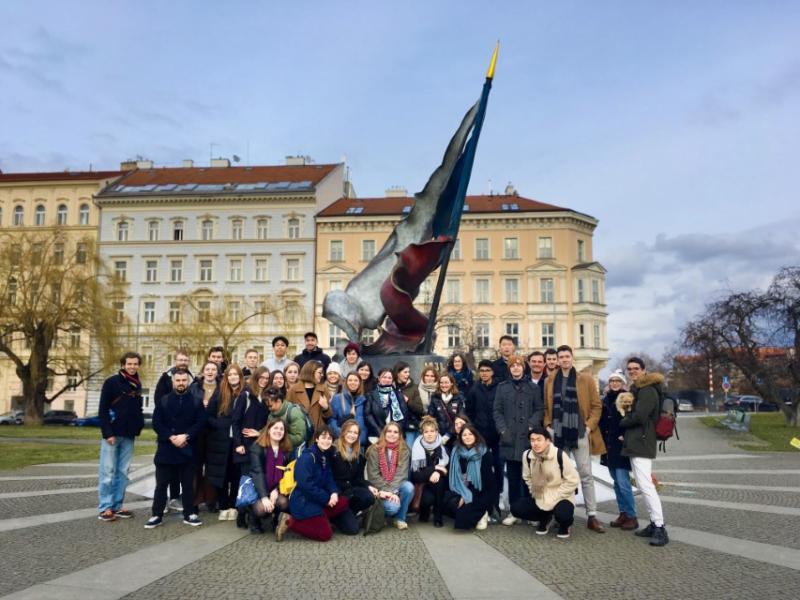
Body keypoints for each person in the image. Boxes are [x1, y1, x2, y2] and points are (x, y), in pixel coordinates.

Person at [543, 345, 606, 533]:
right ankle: (563, 516)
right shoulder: (549, 381)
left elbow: (596, 406)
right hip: (558, 435)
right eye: (561, 357)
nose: (564, 359)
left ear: (572, 358)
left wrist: (588, 427)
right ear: (557, 360)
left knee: (586, 475)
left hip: (579, 434)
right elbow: (546, 407)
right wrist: (548, 425)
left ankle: (592, 515)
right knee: (560, 477)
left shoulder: (585, 379)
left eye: (567, 356)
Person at [145, 368, 207, 529]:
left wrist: (186, 436)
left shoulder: (196, 401)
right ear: (173, 381)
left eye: (184, 380)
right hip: (166, 448)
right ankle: (156, 515)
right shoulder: (164, 400)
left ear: (188, 381)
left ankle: (189, 513)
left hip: (187, 448)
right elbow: (157, 423)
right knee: (161, 485)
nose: (181, 383)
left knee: (187, 485)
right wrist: (171, 437)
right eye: (178, 380)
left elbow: (201, 422)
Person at [275, 426, 359, 542]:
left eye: (329, 438)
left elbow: (329, 477)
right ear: (316, 439)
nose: (326, 441)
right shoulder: (307, 457)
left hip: (316, 498)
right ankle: (289, 521)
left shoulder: (324, 455)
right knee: (325, 534)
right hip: (303, 501)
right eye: (323, 437)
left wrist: (333, 492)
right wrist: (326, 499)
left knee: (343, 502)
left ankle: (319, 520)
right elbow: (305, 485)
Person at [621, 357, 669, 547]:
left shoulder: (647, 390)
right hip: (637, 440)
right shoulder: (638, 388)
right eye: (629, 369)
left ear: (643, 370)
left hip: (642, 440)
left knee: (647, 486)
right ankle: (653, 523)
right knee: (643, 484)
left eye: (636, 368)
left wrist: (623, 421)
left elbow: (640, 416)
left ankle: (660, 527)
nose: (632, 371)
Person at [494, 355, 543, 526]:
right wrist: (503, 430)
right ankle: (515, 512)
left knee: (529, 478)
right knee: (513, 477)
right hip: (509, 438)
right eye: (512, 365)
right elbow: (497, 411)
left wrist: (531, 425)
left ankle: (530, 512)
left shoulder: (533, 387)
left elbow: (539, 409)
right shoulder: (502, 387)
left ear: (523, 367)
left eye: (519, 365)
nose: (516, 368)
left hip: (527, 440)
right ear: (509, 369)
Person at [97, 352, 145, 522]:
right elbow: (103, 410)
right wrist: (107, 433)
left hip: (128, 434)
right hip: (113, 433)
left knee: (123, 472)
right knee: (108, 471)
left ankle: (117, 505)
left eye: (135, 364)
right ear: (123, 364)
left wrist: (138, 426)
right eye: (129, 364)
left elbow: (137, 408)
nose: (132, 367)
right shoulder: (111, 382)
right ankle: (105, 507)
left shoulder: (137, 384)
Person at [510, 427, 579, 539]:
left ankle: (565, 525)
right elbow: (527, 477)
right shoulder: (527, 456)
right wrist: (534, 491)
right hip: (540, 495)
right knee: (516, 508)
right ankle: (546, 518)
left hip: (561, 496)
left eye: (539, 439)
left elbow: (573, 480)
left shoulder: (559, 454)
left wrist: (556, 496)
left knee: (563, 514)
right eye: (532, 440)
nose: (535, 443)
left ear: (547, 441)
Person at [153, 349, 192, 512]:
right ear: (176, 361)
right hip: (168, 431)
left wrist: (186, 434)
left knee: (180, 471)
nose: (183, 362)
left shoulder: (192, 378)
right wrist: (170, 434)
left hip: (185, 433)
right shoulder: (165, 378)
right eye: (180, 360)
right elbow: (158, 403)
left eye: (185, 360)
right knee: (164, 472)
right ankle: (161, 503)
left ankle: (175, 498)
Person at [599, 370, 638, 530]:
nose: (614, 383)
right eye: (612, 381)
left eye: (617, 381)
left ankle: (632, 515)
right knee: (616, 483)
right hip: (608, 446)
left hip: (620, 446)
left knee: (623, 483)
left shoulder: (626, 398)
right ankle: (623, 513)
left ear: (622, 383)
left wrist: (625, 435)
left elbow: (632, 419)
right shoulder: (605, 400)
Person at [206, 364, 244, 522]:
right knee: (222, 475)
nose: (233, 377)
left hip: (238, 441)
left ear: (240, 377)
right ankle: (223, 505)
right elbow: (208, 416)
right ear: (226, 377)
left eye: (236, 374)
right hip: (220, 441)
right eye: (230, 375)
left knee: (236, 475)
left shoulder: (245, 393)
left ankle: (233, 506)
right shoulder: (220, 393)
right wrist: (220, 425)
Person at [232, 372, 269, 527]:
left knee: (257, 480)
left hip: (260, 445)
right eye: (262, 377)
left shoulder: (266, 398)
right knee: (247, 481)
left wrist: (260, 433)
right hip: (245, 446)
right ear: (256, 378)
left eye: (267, 378)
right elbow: (235, 421)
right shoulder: (246, 396)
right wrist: (238, 444)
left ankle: (252, 516)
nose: (264, 380)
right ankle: (243, 514)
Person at [466, 359, 502, 520]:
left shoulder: (499, 388)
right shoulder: (474, 389)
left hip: (498, 435)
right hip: (481, 436)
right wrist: (474, 430)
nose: (485, 373)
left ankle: (496, 501)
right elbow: (469, 411)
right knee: (483, 469)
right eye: (482, 370)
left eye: (487, 370)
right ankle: (485, 503)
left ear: (492, 372)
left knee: (498, 467)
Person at [443, 424, 496, 530]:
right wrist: (463, 492)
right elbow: (453, 475)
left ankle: (483, 513)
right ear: (460, 437)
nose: (467, 437)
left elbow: (486, 481)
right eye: (464, 435)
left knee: (461, 520)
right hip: (462, 487)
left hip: (481, 490)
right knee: (447, 504)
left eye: (470, 434)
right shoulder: (456, 451)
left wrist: (467, 494)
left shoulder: (484, 453)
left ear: (475, 436)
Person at [365, 422, 414, 529]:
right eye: (389, 431)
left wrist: (392, 492)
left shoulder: (404, 450)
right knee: (392, 508)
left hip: (396, 486)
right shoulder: (374, 449)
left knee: (409, 487)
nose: (392, 434)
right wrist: (387, 491)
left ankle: (400, 518)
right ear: (384, 433)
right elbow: (373, 475)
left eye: (395, 432)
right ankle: (381, 514)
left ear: (400, 435)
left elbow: (401, 474)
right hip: (379, 488)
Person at [247, 419, 291, 534]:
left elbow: (287, 473)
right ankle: (253, 519)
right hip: (258, 487)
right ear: (268, 430)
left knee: (284, 503)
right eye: (275, 428)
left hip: (276, 487)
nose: (278, 431)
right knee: (261, 509)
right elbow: (257, 473)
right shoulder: (257, 447)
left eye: (281, 429)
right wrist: (264, 497)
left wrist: (276, 490)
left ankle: (276, 519)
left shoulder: (286, 450)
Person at [188, 361, 220, 512]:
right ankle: (194, 500)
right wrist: (201, 405)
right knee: (195, 467)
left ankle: (210, 500)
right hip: (197, 432)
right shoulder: (194, 387)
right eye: (207, 369)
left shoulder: (221, 388)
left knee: (211, 468)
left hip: (214, 432)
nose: (210, 372)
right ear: (203, 371)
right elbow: (188, 406)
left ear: (217, 372)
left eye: (213, 369)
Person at [331, 419, 377, 515]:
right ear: (343, 432)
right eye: (349, 431)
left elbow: (359, 478)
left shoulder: (358, 455)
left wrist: (368, 486)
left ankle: (350, 513)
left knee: (369, 497)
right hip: (336, 492)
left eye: (355, 433)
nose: (352, 435)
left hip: (350, 490)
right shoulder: (333, 451)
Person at [410, 415, 449, 527]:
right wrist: (434, 468)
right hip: (422, 484)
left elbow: (445, 470)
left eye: (432, 431)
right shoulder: (417, 447)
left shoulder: (442, 448)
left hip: (437, 483)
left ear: (437, 432)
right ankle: (424, 512)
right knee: (426, 500)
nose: (429, 434)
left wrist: (438, 472)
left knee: (440, 483)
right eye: (426, 432)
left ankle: (438, 516)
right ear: (422, 433)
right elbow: (416, 476)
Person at [365, 369, 410, 444]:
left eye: (389, 378)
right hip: (376, 436)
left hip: (395, 437)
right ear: (379, 378)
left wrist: (395, 432)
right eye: (384, 377)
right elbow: (367, 414)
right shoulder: (371, 395)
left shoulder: (399, 395)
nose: (387, 380)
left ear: (392, 380)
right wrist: (380, 432)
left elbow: (404, 414)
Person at [287, 360, 333, 432]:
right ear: (311, 372)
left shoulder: (323, 389)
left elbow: (329, 416)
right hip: (299, 432)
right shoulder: (293, 390)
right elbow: (287, 413)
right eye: (320, 372)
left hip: (318, 433)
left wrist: (326, 408)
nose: (322, 375)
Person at [264, 387, 307, 453]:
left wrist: (278, 437)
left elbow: (299, 437)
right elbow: (268, 430)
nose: (269, 409)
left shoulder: (294, 413)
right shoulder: (271, 415)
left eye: (270, 406)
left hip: (292, 451)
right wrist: (260, 433)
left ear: (278, 401)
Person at [427, 373, 466, 446]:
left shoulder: (459, 397)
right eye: (441, 383)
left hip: (455, 436)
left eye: (446, 382)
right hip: (439, 436)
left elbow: (461, 418)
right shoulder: (435, 397)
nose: (443, 385)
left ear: (452, 383)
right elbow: (430, 416)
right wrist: (435, 432)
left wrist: (448, 434)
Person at [330, 372, 367, 445]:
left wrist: (362, 438)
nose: (353, 382)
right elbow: (332, 419)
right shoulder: (337, 398)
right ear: (346, 382)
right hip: (342, 441)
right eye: (350, 380)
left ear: (360, 383)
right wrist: (339, 432)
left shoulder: (364, 399)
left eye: (356, 380)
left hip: (359, 442)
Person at [394, 361, 422, 447]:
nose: (408, 374)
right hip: (394, 427)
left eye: (408, 372)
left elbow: (420, 409)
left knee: (408, 450)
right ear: (398, 373)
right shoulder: (391, 386)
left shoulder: (413, 387)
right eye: (405, 372)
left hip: (409, 427)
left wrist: (408, 401)